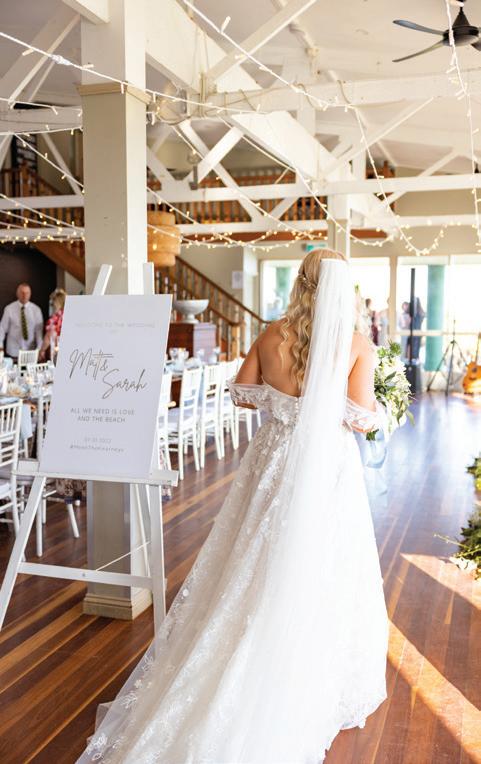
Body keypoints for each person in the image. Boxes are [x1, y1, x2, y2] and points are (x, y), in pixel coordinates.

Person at [78, 249, 388, 764]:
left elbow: (242, 394)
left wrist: (281, 402)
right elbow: (359, 417)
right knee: (322, 561)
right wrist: (374, 408)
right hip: (327, 466)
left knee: (253, 556)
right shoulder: (356, 345)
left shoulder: (271, 335)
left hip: (272, 459)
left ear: (302, 284)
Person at [0, 283, 44, 361]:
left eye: (27, 293)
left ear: (30, 294)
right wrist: (0, 346)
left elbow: (39, 332)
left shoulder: (36, 310)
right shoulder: (9, 309)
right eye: (22, 292)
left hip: (31, 351)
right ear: (17, 294)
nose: (24, 295)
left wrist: (39, 349)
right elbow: (2, 329)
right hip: (13, 351)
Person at [39, 287, 66, 361]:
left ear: (58, 302)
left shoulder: (56, 318)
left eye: (53, 301)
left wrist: (42, 350)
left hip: (56, 351)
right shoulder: (68, 315)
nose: (52, 304)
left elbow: (49, 335)